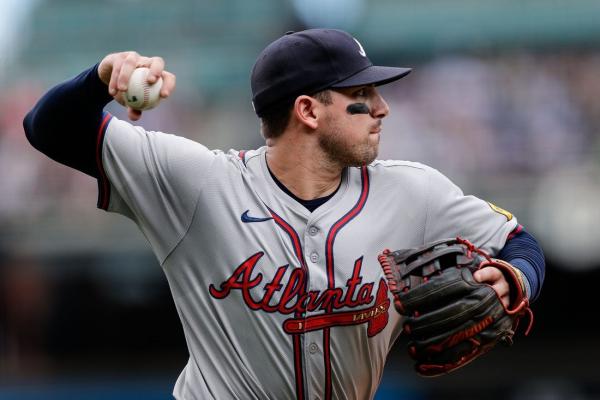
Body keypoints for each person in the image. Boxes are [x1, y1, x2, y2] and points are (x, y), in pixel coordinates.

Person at [23, 29, 544, 400]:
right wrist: (100, 78)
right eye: (361, 95)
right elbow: (47, 127)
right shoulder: (198, 182)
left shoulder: (413, 191)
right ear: (308, 111)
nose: (381, 108)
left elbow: (520, 242)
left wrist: (514, 278)